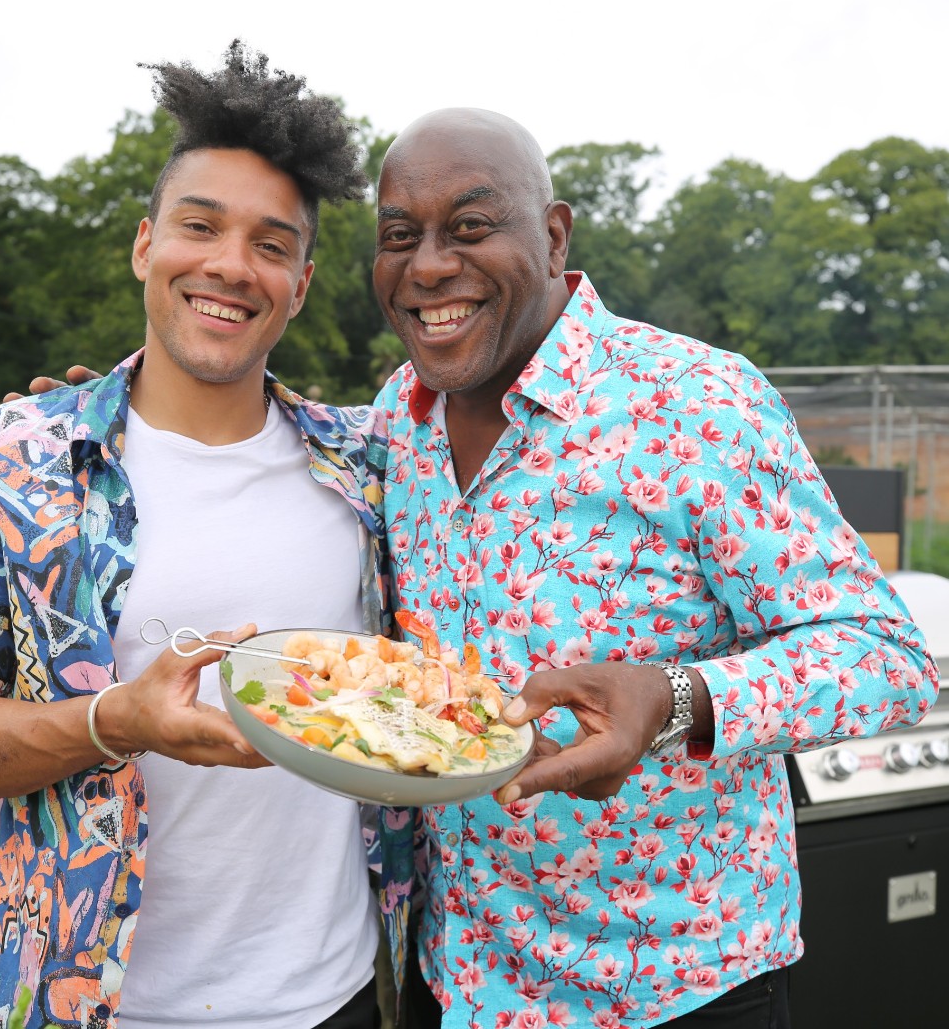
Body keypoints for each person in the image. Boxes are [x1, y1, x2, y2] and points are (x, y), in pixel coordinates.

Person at [0, 43, 413, 1029]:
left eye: (270, 243)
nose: (227, 265)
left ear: (299, 282)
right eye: (200, 226)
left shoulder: (368, 466)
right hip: (80, 1004)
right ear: (144, 245)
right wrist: (110, 723)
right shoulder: (11, 460)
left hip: (334, 997)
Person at [369, 108, 939, 1028]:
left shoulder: (697, 403)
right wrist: (136, 417)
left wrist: (675, 702)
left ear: (553, 237)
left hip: (676, 989)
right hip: (462, 976)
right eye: (401, 236)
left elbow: (885, 659)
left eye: (471, 228)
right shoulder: (399, 416)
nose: (430, 265)